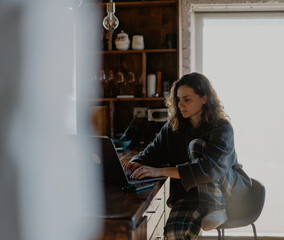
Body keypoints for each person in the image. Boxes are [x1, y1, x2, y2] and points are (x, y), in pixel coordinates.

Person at [123, 72, 252, 240]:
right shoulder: (173, 128)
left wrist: (160, 171)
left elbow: (210, 169)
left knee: (196, 146)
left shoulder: (222, 128)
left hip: (228, 192)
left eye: (187, 99)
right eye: (178, 99)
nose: (180, 104)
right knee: (173, 233)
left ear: (204, 98)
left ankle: (216, 207)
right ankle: (208, 207)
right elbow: (151, 153)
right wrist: (135, 163)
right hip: (193, 193)